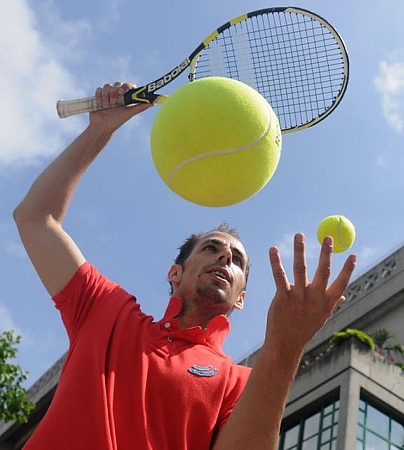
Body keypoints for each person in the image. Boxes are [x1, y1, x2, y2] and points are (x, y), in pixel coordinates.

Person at [14, 81, 357, 450]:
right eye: (211, 248)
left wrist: (286, 344)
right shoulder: (105, 310)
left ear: (241, 298)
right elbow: (35, 217)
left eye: (237, 260)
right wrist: (100, 130)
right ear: (174, 273)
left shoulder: (238, 381)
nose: (225, 256)